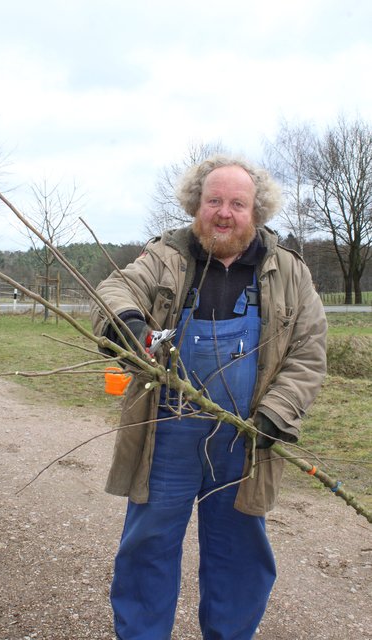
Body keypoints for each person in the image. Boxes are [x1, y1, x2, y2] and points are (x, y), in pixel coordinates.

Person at [91, 155, 327, 640]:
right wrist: (131, 325)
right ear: (196, 206)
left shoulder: (289, 272)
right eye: (213, 201)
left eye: (237, 203)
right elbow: (114, 289)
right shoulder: (167, 256)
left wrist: (275, 415)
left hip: (245, 438)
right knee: (148, 546)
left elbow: (308, 353)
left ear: (256, 211)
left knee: (239, 554)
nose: (224, 212)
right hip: (167, 431)